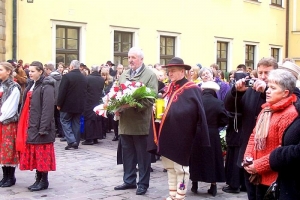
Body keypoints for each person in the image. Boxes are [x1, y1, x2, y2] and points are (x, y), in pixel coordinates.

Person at [149, 57, 209, 200]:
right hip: (167, 133)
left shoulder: (191, 89)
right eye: (169, 71)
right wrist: (155, 109)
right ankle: (172, 195)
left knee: (181, 169)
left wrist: (170, 112)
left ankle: (180, 196)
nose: (170, 74)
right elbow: (162, 105)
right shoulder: (168, 88)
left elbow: (192, 112)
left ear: (183, 71)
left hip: (182, 135)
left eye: (173, 71)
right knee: (169, 167)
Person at [224, 57, 280, 200]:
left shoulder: (282, 90)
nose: (262, 76)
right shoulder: (251, 90)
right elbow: (229, 108)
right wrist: (237, 92)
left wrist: (266, 90)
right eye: (260, 72)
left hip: (270, 152)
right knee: (252, 194)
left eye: (267, 73)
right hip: (249, 149)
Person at [243, 69, 298, 199]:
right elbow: (254, 136)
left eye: (273, 88)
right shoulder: (266, 110)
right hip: (256, 176)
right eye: (268, 87)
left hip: (272, 177)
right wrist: (247, 159)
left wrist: (258, 166)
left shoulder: (289, 114)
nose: (267, 91)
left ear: (285, 93)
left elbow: (282, 147)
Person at [113, 47, 158, 196]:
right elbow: (117, 92)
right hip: (125, 122)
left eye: (133, 57)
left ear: (141, 59)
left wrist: (133, 104)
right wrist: (115, 106)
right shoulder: (124, 74)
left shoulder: (150, 75)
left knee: (143, 156)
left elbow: (151, 98)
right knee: (128, 154)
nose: (130, 60)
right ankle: (129, 180)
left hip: (141, 123)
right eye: (129, 57)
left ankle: (143, 183)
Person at [17, 61, 56, 191]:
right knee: (36, 154)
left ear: (40, 71)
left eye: (33, 71)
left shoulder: (47, 86)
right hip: (31, 123)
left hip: (41, 125)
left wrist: (43, 127)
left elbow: (48, 108)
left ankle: (43, 180)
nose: (30, 73)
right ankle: (38, 178)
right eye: (30, 71)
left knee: (42, 154)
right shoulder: (31, 85)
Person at [190, 81, 228, 197]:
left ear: (203, 90)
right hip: (212, 133)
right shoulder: (218, 103)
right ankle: (213, 185)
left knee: (196, 158)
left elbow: (190, 117)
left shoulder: (197, 102)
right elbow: (224, 119)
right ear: (214, 91)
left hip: (197, 132)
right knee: (213, 159)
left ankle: (194, 183)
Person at [57, 60, 87, 150]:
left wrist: (59, 104)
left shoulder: (67, 77)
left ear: (72, 66)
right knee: (76, 123)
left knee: (64, 121)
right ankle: (76, 142)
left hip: (67, 105)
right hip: (79, 105)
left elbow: (62, 92)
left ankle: (71, 140)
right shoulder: (84, 77)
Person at [0, 62, 21, 187]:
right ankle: (4, 176)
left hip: (8, 122)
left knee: (8, 150)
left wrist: (1, 117)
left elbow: (10, 108)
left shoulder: (14, 87)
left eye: (1, 69)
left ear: (8, 71)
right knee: (1, 150)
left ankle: (10, 176)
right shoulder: (1, 85)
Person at [81, 65, 104, 145]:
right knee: (97, 119)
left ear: (91, 70)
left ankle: (89, 138)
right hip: (98, 101)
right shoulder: (101, 79)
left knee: (89, 120)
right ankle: (96, 137)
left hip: (88, 102)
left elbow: (84, 90)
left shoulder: (87, 78)